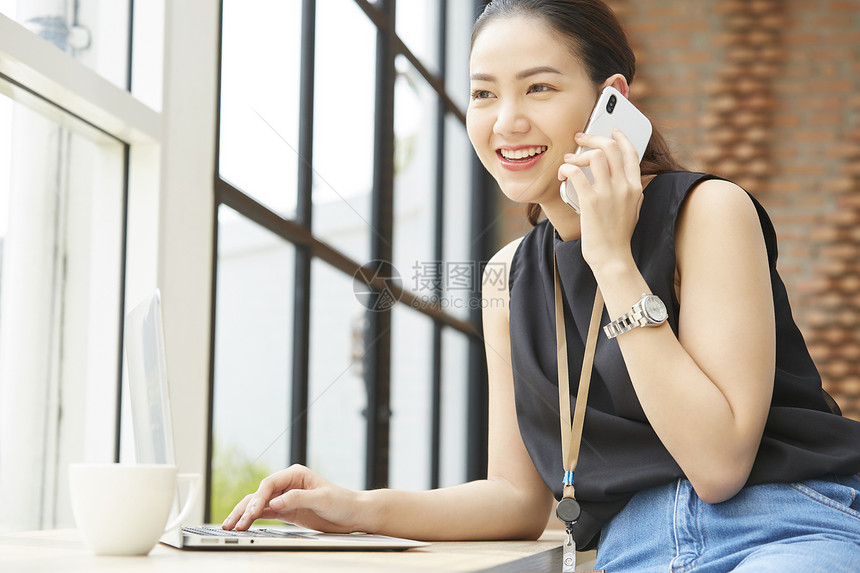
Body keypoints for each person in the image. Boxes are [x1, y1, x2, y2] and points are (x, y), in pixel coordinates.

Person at [222, 1, 860, 570]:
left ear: (611, 101)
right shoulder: (507, 278)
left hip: (785, 529)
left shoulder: (708, 213)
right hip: (633, 554)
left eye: (539, 88)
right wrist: (354, 507)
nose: (506, 121)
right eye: (483, 94)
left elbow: (719, 467)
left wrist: (612, 258)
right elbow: (517, 498)